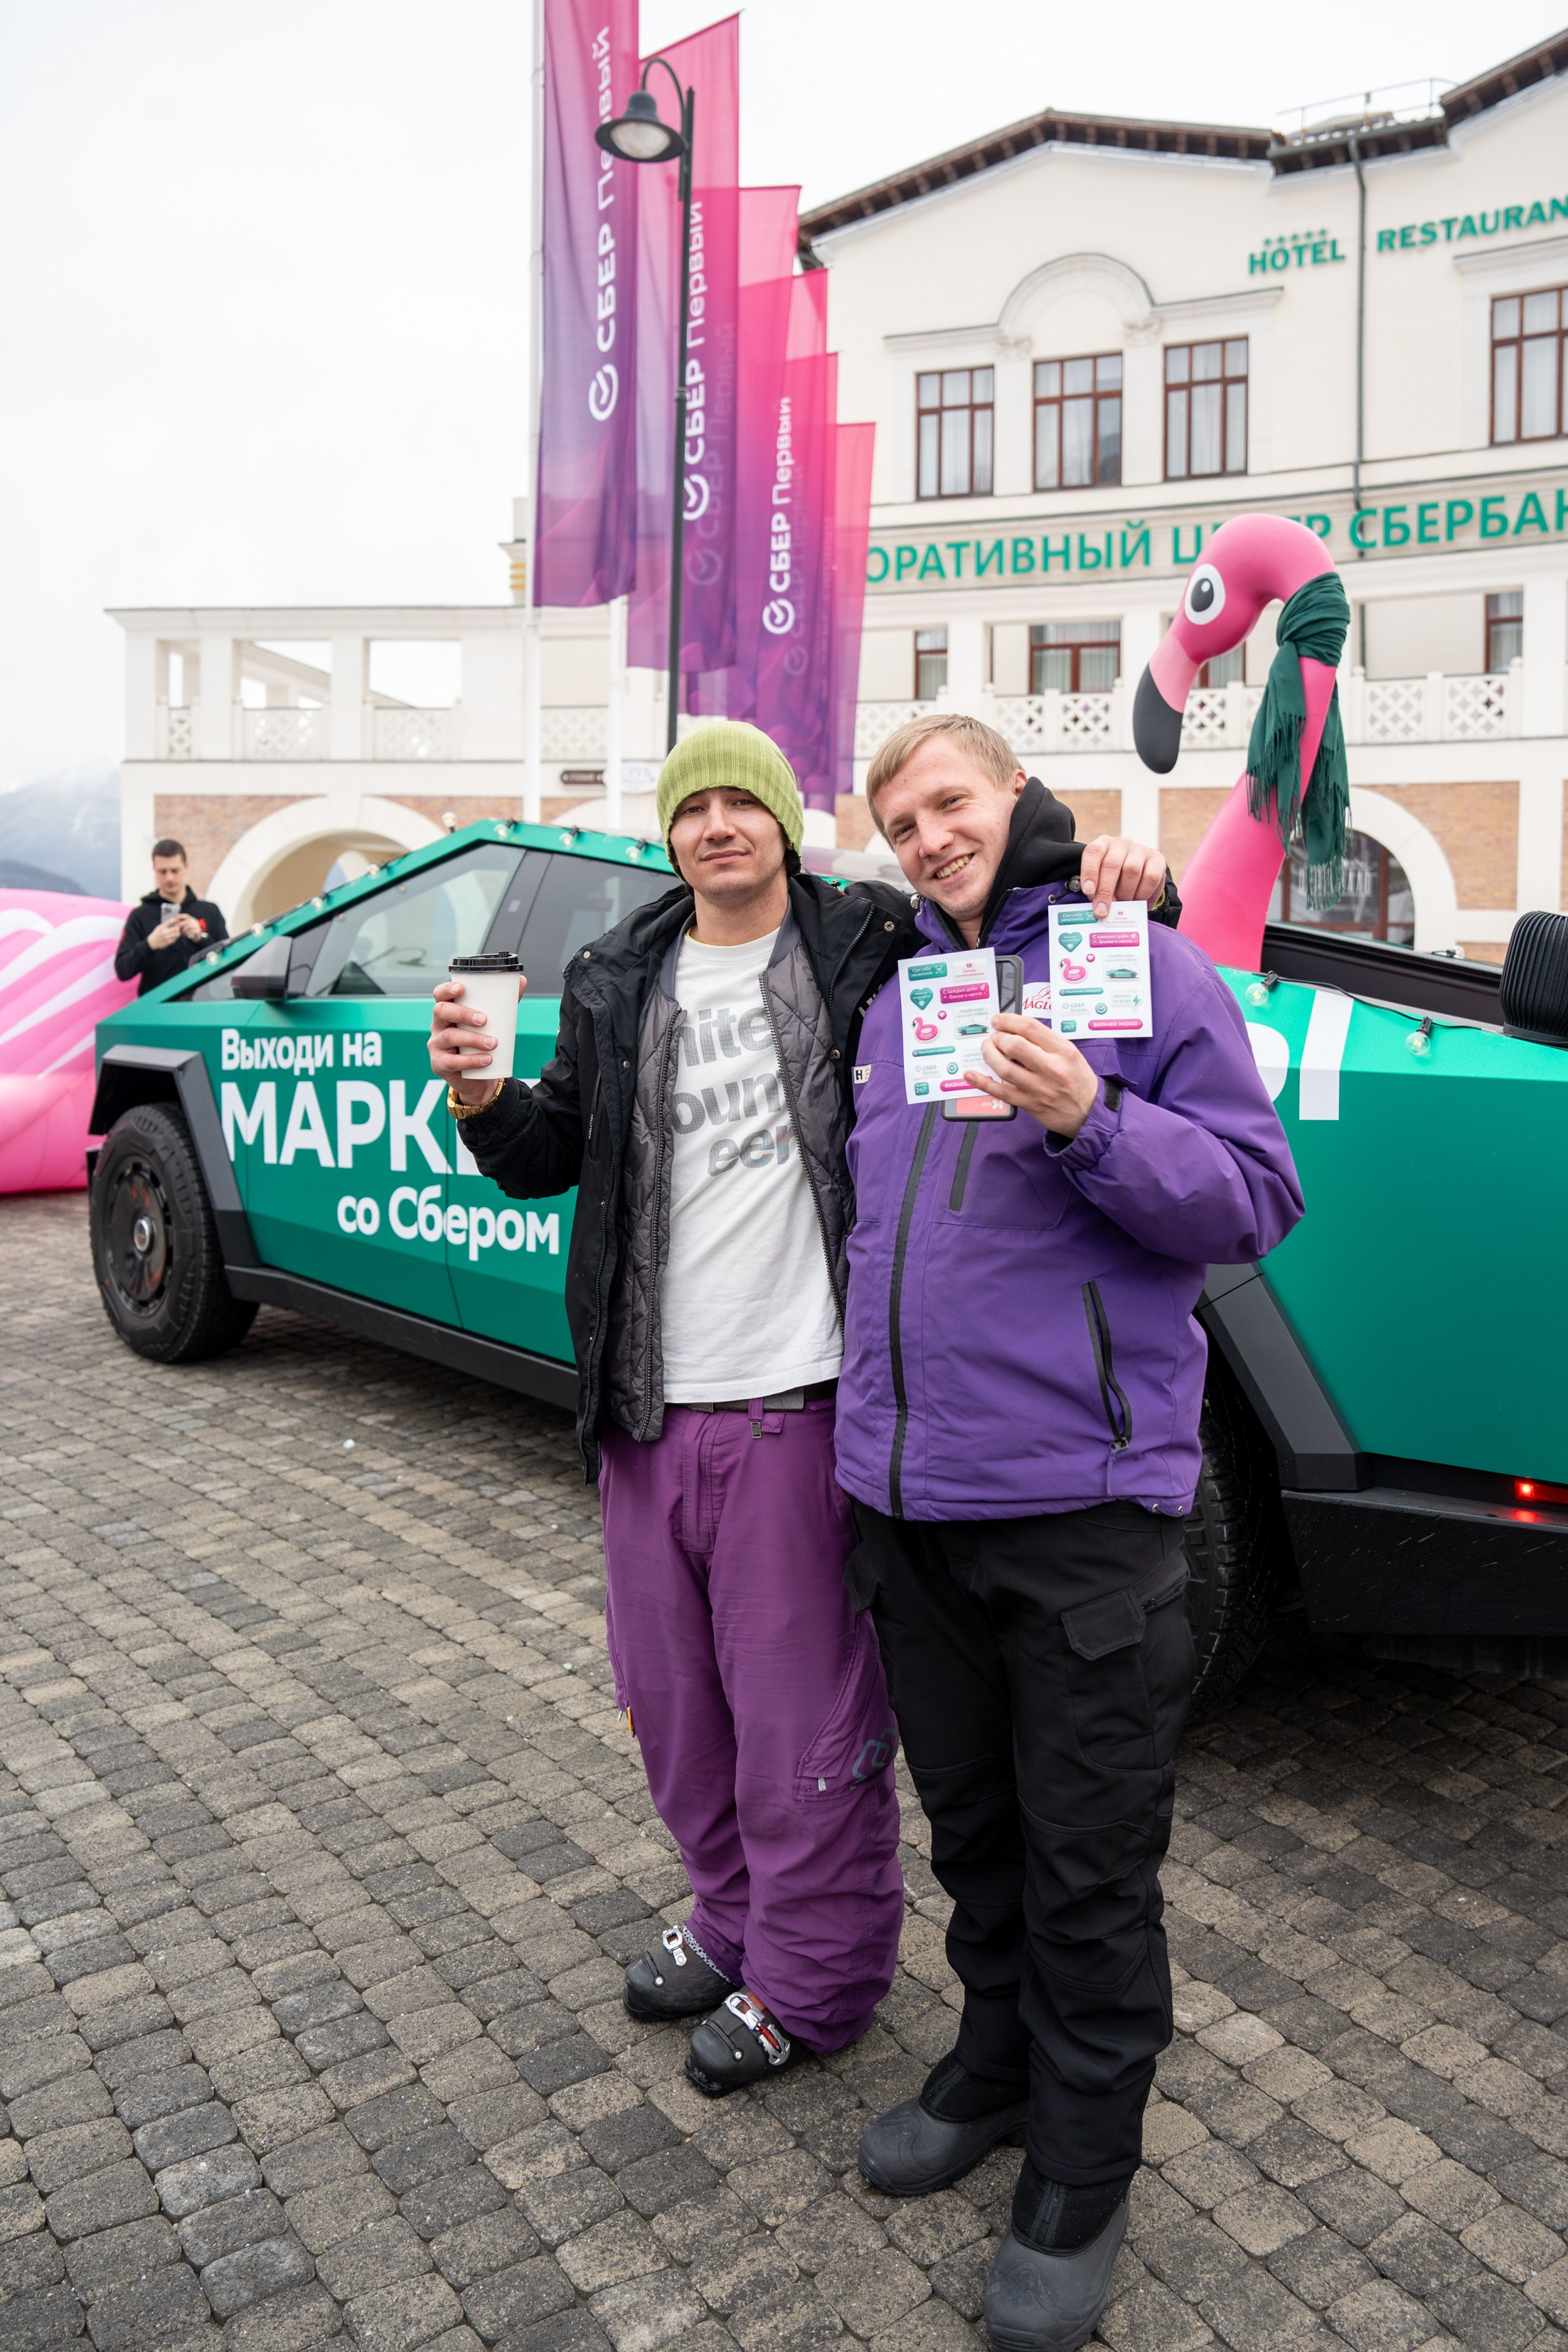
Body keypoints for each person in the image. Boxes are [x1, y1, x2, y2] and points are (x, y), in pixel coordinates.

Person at [427, 719, 1175, 2100]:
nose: (718, 824)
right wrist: (480, 1096)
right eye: (691, 806)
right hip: (645, 1405)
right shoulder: (616, 973)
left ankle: (814, 1976)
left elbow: (1012, 920)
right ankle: (729, 1919)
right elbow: (546, 1154)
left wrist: (1120, 876)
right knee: (673, 1713)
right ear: (667, 834)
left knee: (802, 1733)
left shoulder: (865, 944)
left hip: (801, 1400)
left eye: (744, 800)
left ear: (785, 820)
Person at [838, 714, 1304, 2352]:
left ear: (1017, 795)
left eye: (950, 801)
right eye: (900, 820)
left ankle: (1082, 2163)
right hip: (912, 1506)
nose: (928, 836)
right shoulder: (892, 998)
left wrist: (1092, 1116)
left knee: (1089, 1862)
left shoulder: (1140, 964)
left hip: (1083, 1512)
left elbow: (1254, 1200)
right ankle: (995, 2065)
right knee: (974, 1835)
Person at [114, 839, 228, 995]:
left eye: (175, 871)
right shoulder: (140, 915)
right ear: (154, 869)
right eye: (163, 872)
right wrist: (150, 944)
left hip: (202, 1003)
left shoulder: (209, 911)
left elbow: (229, 959)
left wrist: (200, 938)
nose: (169, 878)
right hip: (157, 1005)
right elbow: (122, 969)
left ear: (186, 866)